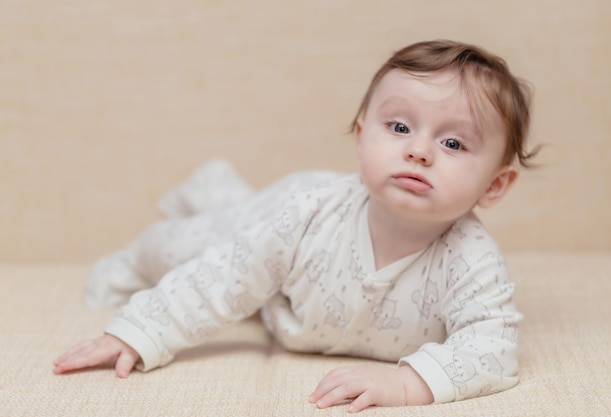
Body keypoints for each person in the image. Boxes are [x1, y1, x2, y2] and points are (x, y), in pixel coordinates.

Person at [53, 39, 539, 412]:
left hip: (288, 295)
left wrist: (407, 383)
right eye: (398, 127)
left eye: (453, 144)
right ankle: (160, 237)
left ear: (494, 186)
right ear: (360, 134)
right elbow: (223, 277)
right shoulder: (308, 213)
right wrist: (138, 333)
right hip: (278, 225)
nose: (419, 150)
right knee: (189, 247)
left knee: (245, 243)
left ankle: (219, 190)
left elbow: (493, 350)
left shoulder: (472, 259)